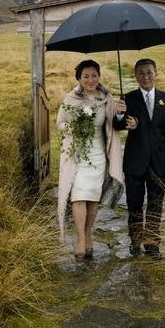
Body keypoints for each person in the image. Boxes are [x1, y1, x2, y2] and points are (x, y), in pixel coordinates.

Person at [56, 59, 124, 260]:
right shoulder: (71, 99)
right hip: (78, 156)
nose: (90, 79)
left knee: (93, 199)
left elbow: (115, 122)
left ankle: (88, 234)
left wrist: (119, 111)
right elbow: (60, 123)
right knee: (78, 196)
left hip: (98, 155)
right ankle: (79, 239)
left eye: (94, 75)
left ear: (99, 76)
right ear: (79, 78)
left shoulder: (106, 97)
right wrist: (75, 129)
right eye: (86, 76)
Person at [113, 58, 165, 259]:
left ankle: (152, 244)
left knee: (155, 203)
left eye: (149, 72)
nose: (146, 77)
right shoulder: (129, 98)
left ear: (156, 73)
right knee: (134, 203)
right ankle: (135, 241)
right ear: (136, 76)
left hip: (159, 161)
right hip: (135, 161)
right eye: (141, 73)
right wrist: (121, 117)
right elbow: (118, 125)